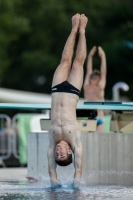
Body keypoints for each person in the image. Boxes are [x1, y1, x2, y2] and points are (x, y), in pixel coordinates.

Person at [47, 13, 88, 188]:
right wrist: (75, 185)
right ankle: (83, 30)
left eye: (57, 156)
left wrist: (54, 186)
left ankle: (73, 28)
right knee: (78, 62)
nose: (58, 152)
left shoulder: (52, 140)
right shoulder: (75, 140)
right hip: (72, 92)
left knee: (65, 60)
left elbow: (51, 171)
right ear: (70, 152)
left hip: (57, 90)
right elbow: (78, 170)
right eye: (62, 155)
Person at [83, 46, 107, 133]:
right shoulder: (99, 86)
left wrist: (90, 56)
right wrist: (103, 56)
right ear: (99, 79)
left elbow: (88, 71)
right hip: (99, 115)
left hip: (90, 116)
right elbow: (103, 72)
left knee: (91, 141)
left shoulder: (87, 85)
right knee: (99, 141)